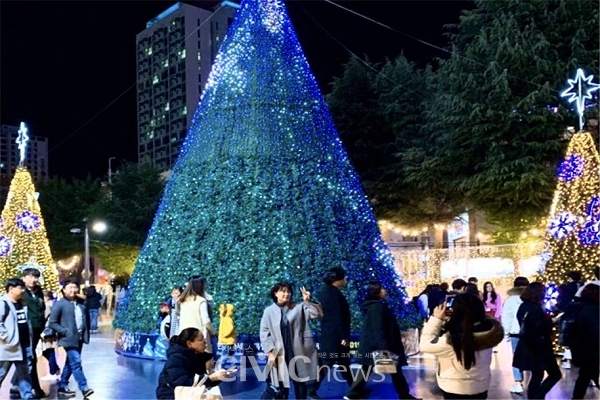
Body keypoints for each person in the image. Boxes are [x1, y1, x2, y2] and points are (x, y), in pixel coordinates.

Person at [344, 281, 420, 400]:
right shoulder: (377, 307)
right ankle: (404, 395)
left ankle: (352, 394)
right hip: (379, 346)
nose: (385, 290)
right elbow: (378, 327)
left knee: (382, 370)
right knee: (390, 370)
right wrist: (383, 346)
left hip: (374, 345)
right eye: (382, 288)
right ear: (376, 291)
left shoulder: (375, 305)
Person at [420, 294, 504, 399]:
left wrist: (436, 320)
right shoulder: (490, 332)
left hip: (454, 388)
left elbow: (424, 345)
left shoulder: (451, 340)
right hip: (480, 386)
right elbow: (470, 324)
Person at [259, 282, 322, 400]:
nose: (286, 294)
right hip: (279, 353)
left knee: (300, 382)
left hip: (298, 350)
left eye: (288, 291)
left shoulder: (298, 307)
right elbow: (264, 332)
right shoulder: (269, 311)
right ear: (275, 293)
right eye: (283, 291)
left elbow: (316, 314)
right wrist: (270, 351)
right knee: (281, 384)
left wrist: (307, 301)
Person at [512, 282, 562, 399]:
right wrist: (552, 321)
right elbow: (540, 326)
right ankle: (538, 396)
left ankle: (533, 397)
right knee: (555, 374)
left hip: (527, 345)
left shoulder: (524, 306)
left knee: (537, 375)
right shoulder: (535, 308)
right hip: (539, 347)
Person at [49, 278, 94, 398]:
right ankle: (84, 387)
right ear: (63, 290)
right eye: (70, 287)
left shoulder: (81, 303)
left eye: (75, 287)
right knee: (76, 362)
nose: (73, 290)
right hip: (68, 339)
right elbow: (52, 323)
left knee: (70, 363)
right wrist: (65, 331)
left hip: (79, 337)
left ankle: (63, 385)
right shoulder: (59, 304)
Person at [156, 327, 230, 399]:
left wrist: (219, 377)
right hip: (170, 394)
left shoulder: (197, 356)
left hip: (187, 392)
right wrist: (211, 378)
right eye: (201, 339)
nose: (205, 342)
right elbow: (183, 383)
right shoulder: (176, 358)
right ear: (189, 343)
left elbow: (202, 381)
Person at [312, 267, 352, 398]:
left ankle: (355, 388)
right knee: (326, 364)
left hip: (333, 336)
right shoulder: (331, 294)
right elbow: (336, 317)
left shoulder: (330, 291)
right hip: (334, 337)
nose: (346, 279)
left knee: (344, 363)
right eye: (344, 277)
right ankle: (310, 390)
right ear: (337, 279)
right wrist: (343, 337)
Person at [8, 268, 48, 398]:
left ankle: (17, 386)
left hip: (36, 331)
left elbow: (41, 308)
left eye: (36, 277)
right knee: (27, 359)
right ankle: (30, 388)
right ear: (24, 277)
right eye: (30, 276)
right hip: (24, 331)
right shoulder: (20, 292)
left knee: (27, 360)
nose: (33, 279)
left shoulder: (38, 291)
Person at [0, 278, 36, 399]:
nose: (23, 291)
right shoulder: (3, 303)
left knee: (24, 373)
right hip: (9, 346)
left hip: (24, 344)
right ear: (11, 289)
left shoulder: (22, 303)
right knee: (1, 372)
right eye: (20, 288)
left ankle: (27, 395)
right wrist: (7, 338)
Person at [570, 284, 599, 399]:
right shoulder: (594, 310)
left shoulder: (577, 308)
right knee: (587, 373)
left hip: (581, 348)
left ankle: (577, 397)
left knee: (584, 375)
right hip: (592, 348)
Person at [501, 276, 529, 394]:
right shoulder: (531, 298)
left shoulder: (510, 300)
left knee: (516, 357)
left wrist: (505, 334)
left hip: (515, 333)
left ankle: (518, 383)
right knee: (531, 355)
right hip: (530, 333)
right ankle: (533, 381)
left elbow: (507, 318)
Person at [179, 276, 216, 354]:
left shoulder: (183, 300)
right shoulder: (201, 301)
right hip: (199, 337)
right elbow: (206, 321)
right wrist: (214, 333)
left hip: (185, 335)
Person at [40, 291, 60, 381]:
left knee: (48, 351)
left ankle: (53, 371)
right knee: (49, 351)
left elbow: (44, 318)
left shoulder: (47, 306)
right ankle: (55, 369)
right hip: (52, 331)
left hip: (47, 331)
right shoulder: (54, 305)